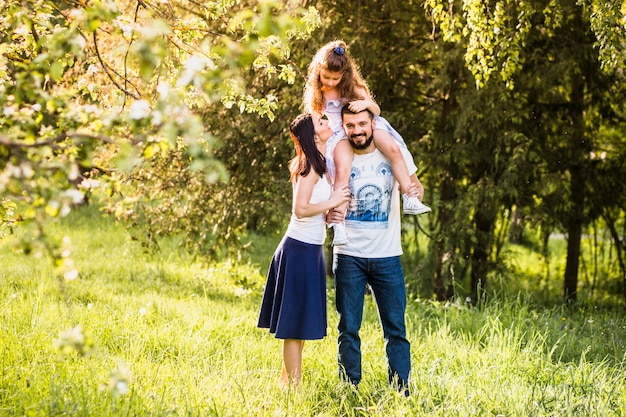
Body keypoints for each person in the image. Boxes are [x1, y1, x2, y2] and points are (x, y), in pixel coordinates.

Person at [327, 105, 423, 396]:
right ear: (344, 127)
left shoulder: (393, 152)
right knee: (349, 327)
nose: (357, 130)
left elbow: (415, 186)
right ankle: (350, 388)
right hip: (349, 256)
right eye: (350, 125)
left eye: (361, 124)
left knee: (396, 329)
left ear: (373, 124)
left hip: (387, 256)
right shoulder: (339, 156)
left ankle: (401, 390)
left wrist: (415, 193)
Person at [304, 40, 431, 247]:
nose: (330, 82)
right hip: (340, 132)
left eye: (335, 78)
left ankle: (410, 196)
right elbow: (315, 120)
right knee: (341, 172)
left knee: (393, 149)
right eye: (326, 77)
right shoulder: (317, 91)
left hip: (366, 124)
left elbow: (376, 110)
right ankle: (339, 226)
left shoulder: (352, 85)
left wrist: (366, 104)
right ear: (318, 71)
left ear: (344, 75)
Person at [258, 113, 350, 388]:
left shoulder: (318, 165)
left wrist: (329, 211)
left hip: (309, 250)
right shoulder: (308, 165)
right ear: (313, 136)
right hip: (298, 250)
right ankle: (294, 389)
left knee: (297, 324)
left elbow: (312, 208)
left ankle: (287, 382)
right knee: (293, 326)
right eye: (321, 123)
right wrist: (332, 201)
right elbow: (300, 209)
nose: (327, 123)